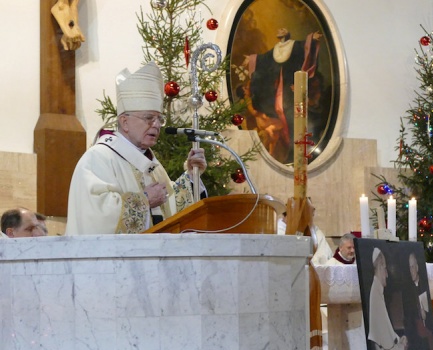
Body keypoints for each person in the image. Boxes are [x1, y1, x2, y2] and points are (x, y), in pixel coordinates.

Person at [65, 62, 208, 235]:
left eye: (159, 119)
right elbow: (95, 215)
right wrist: (145, 200)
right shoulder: (99, 158)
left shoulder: (151, 165)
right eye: (149, 118)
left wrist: (192, 176)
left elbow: (170, 209)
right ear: (125, 122)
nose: (156, 125)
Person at [242, 28, 321, 163]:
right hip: (278, 87)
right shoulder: (276, 49)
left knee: (288, 114)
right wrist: (252, 59)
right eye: (279, 29)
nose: (280, 30)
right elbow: (264, 58)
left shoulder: (294, 45)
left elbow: (304, 46)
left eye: (283, 29)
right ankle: (285, 143)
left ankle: (292, 145)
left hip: (288, 87)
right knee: (278, 109)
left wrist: (312, 38)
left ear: (287, 33)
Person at [367, 247, 408, 350]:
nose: (387, 275)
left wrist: (398, 339)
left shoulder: (378, 292)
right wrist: (402, 347)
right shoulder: (375, 294)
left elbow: (387, 335)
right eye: (385, 269)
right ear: (379, 266)